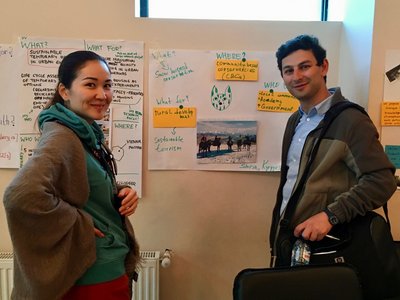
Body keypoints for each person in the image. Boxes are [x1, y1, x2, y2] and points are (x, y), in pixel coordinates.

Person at [3, 50, 141, 300]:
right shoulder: (63, 136)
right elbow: (20, 196)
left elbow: (77, 185)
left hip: (102, 270)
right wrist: (80, 223)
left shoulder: (84, 133)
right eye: (90, 85)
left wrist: (120, 191)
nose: (102, 95)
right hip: (92, 279)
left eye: (107, 85)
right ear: (65, 91)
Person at [269, 35, 397, 267]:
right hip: (294, 244)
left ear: (323, 67)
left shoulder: (350, 120)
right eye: (288, 70)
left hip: (329, 249)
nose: (296, 76)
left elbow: (382, 181)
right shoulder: (294, 121)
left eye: (305, 66)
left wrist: (330, 215)